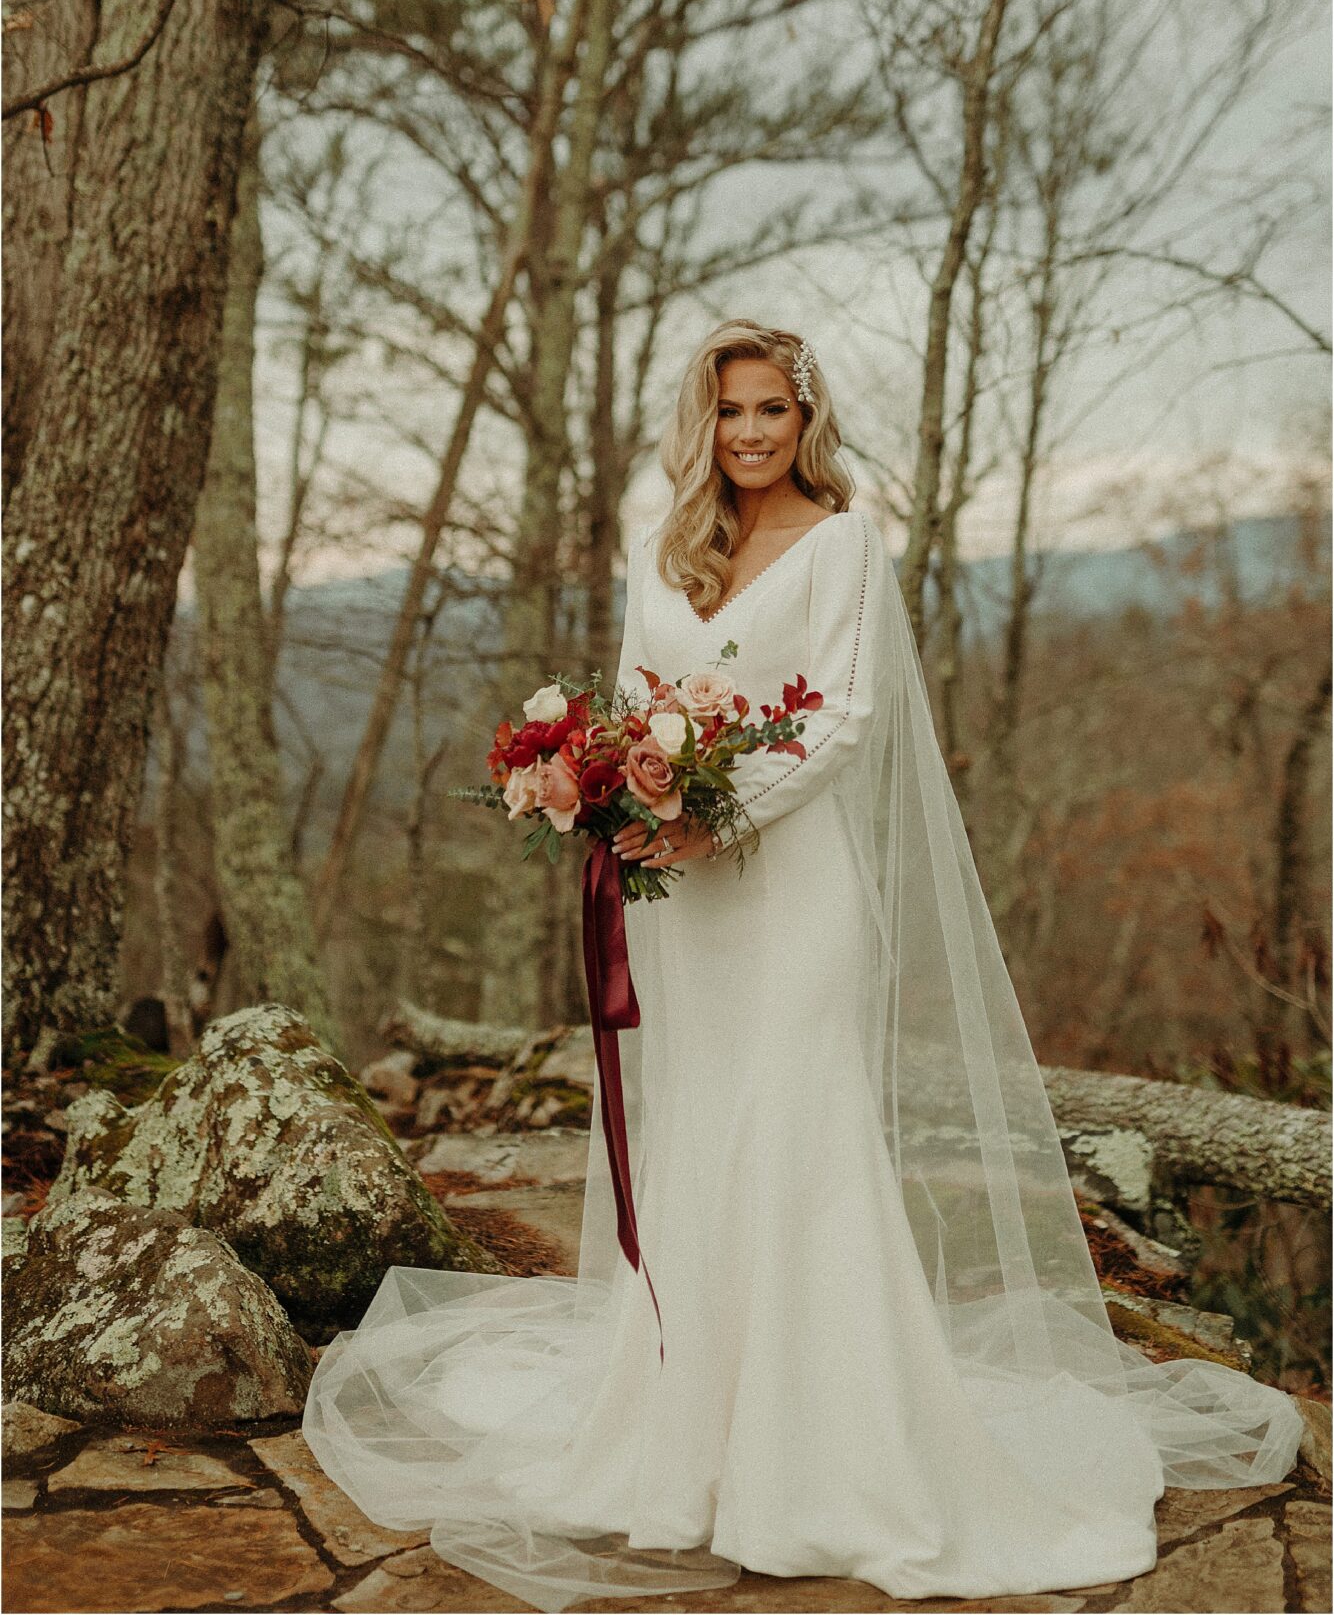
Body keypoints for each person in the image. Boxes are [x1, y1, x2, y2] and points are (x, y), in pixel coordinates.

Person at [303, 319, 1304, 1613]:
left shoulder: (841, 543)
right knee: (704, 1137)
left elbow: (844, 719)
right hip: (682, 909)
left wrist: (714, 812)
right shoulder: (657, 540)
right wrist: (611, 789)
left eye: (771, 410)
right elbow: (633, 687)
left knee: (798, 1133)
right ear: (704, 423)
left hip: (789, 889)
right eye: (730, 412)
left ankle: (821, 1459)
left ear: (803, 421)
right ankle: (690, 1439)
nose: (751, 434)